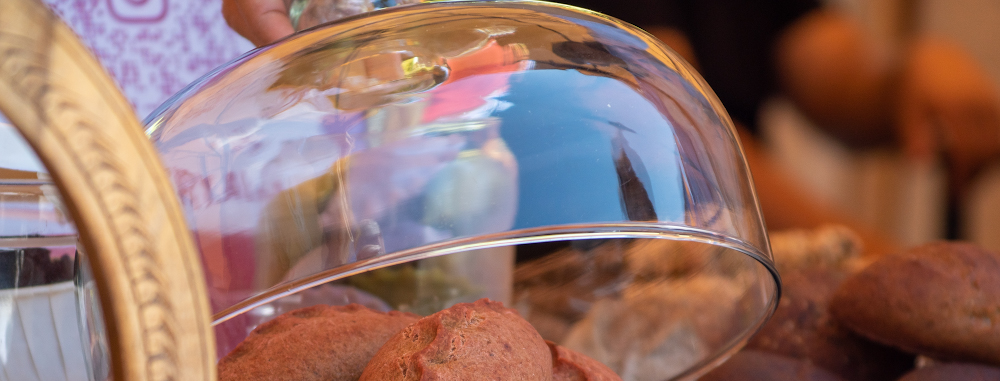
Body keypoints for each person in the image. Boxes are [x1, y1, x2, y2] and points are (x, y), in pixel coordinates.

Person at [224, 0, 1000, 246]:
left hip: (707, 282)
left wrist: (905, 76)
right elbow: (670, 120)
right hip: (553, 271)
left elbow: (815, 50)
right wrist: (882, 260)